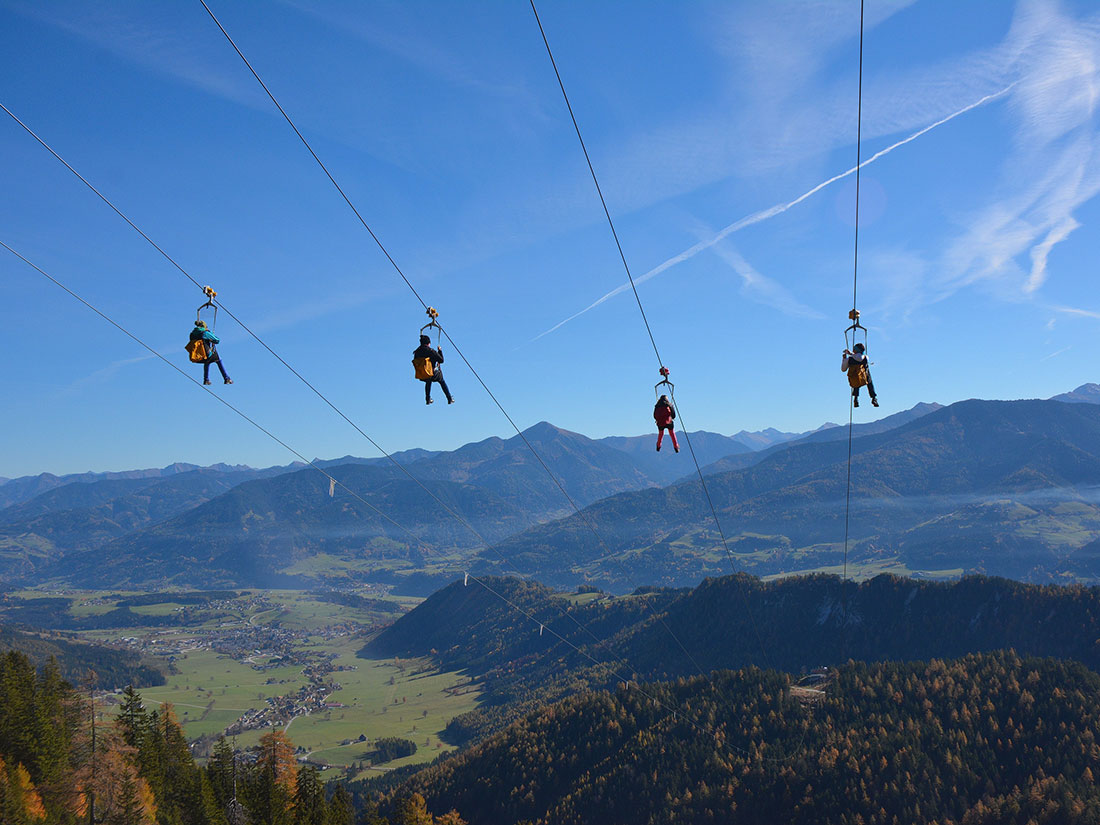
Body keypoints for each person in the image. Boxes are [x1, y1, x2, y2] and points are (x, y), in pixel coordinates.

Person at [413, 334, 453, 405]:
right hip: (431, 373)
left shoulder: (416, 352)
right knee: (441, 380)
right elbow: (441, 360)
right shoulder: (430, 351)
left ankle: (427, 399)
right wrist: (440, 351)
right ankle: (449, 398)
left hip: (421, 374)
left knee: (428, 381)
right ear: (428, 343)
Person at [190, 320, 232, 385]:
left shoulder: (192, 334)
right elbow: (217, 340)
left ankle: (206, 379)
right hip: (207, 354)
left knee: (207, 361)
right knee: (218, 360)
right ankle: (227, 378)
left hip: (198, 356)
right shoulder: (205, 333)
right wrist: (211, 335)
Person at [841, 342, 877, 407]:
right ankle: (873, 397)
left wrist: (844, 358)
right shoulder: (866, 357)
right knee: (869, 381)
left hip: (855, 379)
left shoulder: (849, 359)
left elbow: (843, 369)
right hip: (865, 378)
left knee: (856, 379)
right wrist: (851, 354)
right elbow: (859, 357)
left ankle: (855, 398)